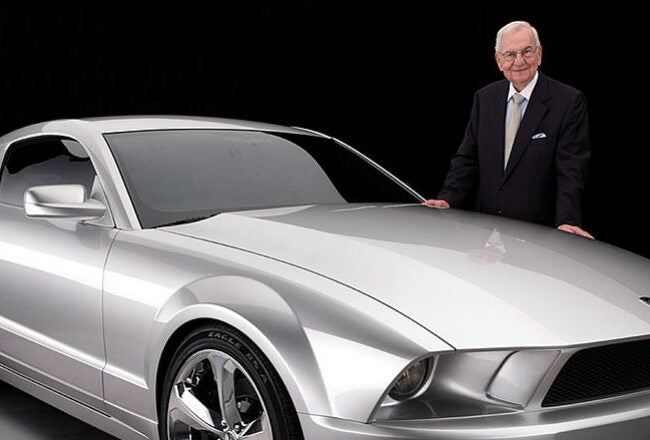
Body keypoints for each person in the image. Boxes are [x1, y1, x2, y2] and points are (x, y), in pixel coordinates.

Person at [424, 20, 594, 239]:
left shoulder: (568, 102)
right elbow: (467, 157)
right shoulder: (484, 98)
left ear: (539, 54)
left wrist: (567, 221)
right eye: (510, 54)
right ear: (498, 60)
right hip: (486, 234)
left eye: (527, 51)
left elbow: (571, 170)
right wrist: (447, 199)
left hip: (539, 236)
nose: (519, 61)